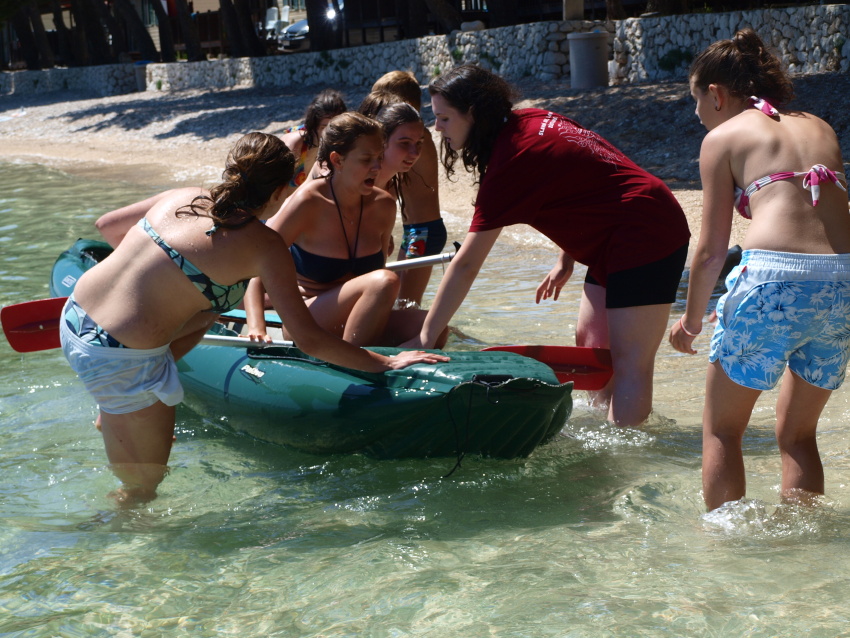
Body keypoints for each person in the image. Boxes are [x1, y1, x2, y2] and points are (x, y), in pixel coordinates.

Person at [61, 132, 449, 505]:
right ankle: (110, 530)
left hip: (76, 315)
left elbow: (110, 226)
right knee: (141, 492)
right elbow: (309, 339)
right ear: (281, 191)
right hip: (121, 360)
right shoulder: (264, 245)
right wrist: (385, 362)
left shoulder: (184, 196)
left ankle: (114, 413)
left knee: (208, 305)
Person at [402, 64, 691, 427]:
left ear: (473, 114)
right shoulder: (529, 120)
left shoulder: (512, 161)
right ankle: (607, 427)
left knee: (630, 361)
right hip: (616, 233)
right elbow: (585, 179)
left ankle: (627, 450)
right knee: (593, 348)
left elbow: (466, 264)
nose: (437, 128)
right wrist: (565, 259)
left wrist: (425, 337)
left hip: (649, 231)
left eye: (444, 118)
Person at [668, 29, 850, 511]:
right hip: (842, 281)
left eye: (696, 102)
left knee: (722, 430)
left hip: (772, 278)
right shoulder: (819, 126)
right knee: (798, 434)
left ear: (716, 94)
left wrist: (690, 322)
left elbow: (711, 251)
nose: (697, 114)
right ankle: (803, 537)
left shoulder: (722, 138)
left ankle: (725, 543)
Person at [244, 113, 448, 348]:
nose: (376, 167)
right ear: (337, 160)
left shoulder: (384, 206)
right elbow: (255, 269)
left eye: (379, 158)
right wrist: (256, 327)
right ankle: (354, 361)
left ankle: (387, 359)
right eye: (366, 159)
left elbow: (376, 273)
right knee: (385, 281)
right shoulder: (308, 201)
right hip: (309, 319)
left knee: (435, 329)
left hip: (360, 318)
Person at [369, 71, 447, 305]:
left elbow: (388, 190)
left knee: (406, 304)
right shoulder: (410, 138)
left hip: (423, 230)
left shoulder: (413, 138)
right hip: (415, 230)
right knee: (396, 301)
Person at [282, 88, 347, 190]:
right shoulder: (295, 143)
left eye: (335, 127)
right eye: (324, 127)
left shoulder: (340, 146)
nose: (331, 133)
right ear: (313, 125)